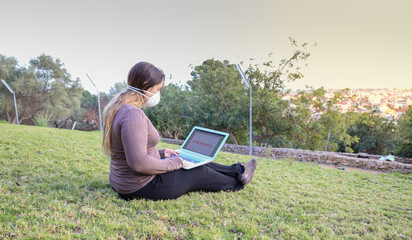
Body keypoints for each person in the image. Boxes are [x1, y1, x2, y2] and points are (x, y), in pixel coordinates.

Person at [102, 62, 257, 201]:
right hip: (140, 186)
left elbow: (131, 149)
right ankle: (237, 182)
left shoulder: (121, 108)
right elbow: (139, 164)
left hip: (123, 182)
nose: (158, 94)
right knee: (199, 171)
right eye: (158, 89)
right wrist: (175, 163)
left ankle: (239, 170)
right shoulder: (133, 114)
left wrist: (161, 154)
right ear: (145, 85)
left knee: (196, 161)